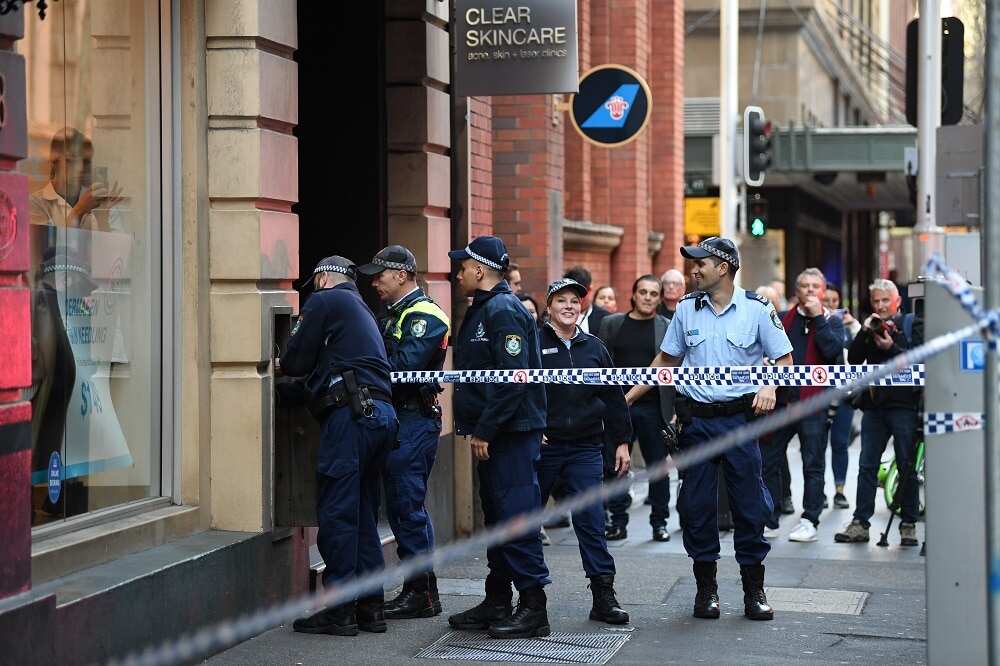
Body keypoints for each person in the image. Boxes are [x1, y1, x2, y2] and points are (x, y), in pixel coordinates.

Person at [626, 237, 793, 622]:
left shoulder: (755, 308)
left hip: (739, 422)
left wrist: (768, 383)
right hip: (696, 422)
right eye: (692, 263)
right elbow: (666, 361)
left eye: (701, 263)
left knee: (751, 507)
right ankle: (707, 590)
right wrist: (628, 399)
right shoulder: (687, 309)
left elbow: (784, 358)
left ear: (724, 266)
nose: (693, 269)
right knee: (696, 507)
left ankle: (754, 590)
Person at [282, 256, 399, 637]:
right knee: (364, 513)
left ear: (322, 278)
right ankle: (370, 606)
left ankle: (339, 609)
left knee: (338, 512)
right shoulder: (361, 310)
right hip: (380, 416)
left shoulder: (325, 301)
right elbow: (337, 368)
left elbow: (294, 360)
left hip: (350, 419)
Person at [446, 236, 552, 639]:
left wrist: (486, 430)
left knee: (516, 518)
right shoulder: (484, 309)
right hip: (496, 433)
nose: (457, 274)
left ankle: (533, 607)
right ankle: (497, 599)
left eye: (462, 267)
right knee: (498, 520)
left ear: (480, 270)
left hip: (510, 434)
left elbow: (512, 381)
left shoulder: (504, 310)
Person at [357, 246, 449, 620]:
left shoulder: (424, 315)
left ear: (402, 274)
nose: (375, 281)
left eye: (380, 274)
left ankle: (421, 593)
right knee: (400, 505)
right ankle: (421, 591)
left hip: (414, 420)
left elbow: (402, 367)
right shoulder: (394, 314)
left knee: (406, 507)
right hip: (400, 420)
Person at [537, 277, 633, 624]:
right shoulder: (533, 345)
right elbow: (523, 394)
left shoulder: (594, 347)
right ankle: (527, 598)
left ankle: (603, 596)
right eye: (561, 300)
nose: (569, 306)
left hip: (585, 448)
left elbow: (613, 397)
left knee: (591, 523)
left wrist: (622, 441)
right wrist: (532, 431)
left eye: (575, 301)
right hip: (544, 448)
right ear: (548, 307)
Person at [835, 279, 922, 547]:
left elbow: (920, 359)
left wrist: (891, 348)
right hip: (874, 407)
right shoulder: (870, 327)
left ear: (897, 301)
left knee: (906, 464)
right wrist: (864, 331)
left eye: (886, 300)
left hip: (905, 407)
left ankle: (908, 524)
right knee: (867, 465)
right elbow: (856, 358)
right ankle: (860, 523)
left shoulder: (911, 324)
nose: (881, 306)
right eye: (876, 301)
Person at [761, 269, 846, 543]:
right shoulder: (783, 319)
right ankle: (769, 518)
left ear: (823, 291)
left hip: (813, 406)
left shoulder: (832, 321)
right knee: (768, 461)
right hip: (782, 403)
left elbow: (832, 352)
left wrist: (818, 318)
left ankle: (810, 519)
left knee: (813, 463)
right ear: (796, 291)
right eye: (804, 286)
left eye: (815, 286)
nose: (810, 291)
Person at [598, 275, 674, 542]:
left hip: (655, 409)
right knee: (616, 466)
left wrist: (674, 411)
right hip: (619, 409)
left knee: (658, 468)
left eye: (654, 294)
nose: (648, 297)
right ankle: (617, 522)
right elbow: (601, 364)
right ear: (633, 295)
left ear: (660, 298)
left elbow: (673, 369)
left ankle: (659, 522)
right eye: (643, 292)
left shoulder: (666, 326)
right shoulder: (611, 324)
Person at [823, 284, 861, 509]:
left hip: (844, 394)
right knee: (815, 446)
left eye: (834, 300)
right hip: (819, 394)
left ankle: (839, 490)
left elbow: (860, 353)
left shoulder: (848, 328)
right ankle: (818, 493)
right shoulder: (815, 324)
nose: (830, 304)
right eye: (826, 299)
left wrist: (854, 325)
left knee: (840, 443)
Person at [565, 266, 608, 335]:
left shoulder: (605, 319)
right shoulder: (554, 316)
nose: (577, 300)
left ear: (590, 289)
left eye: (580, 295)